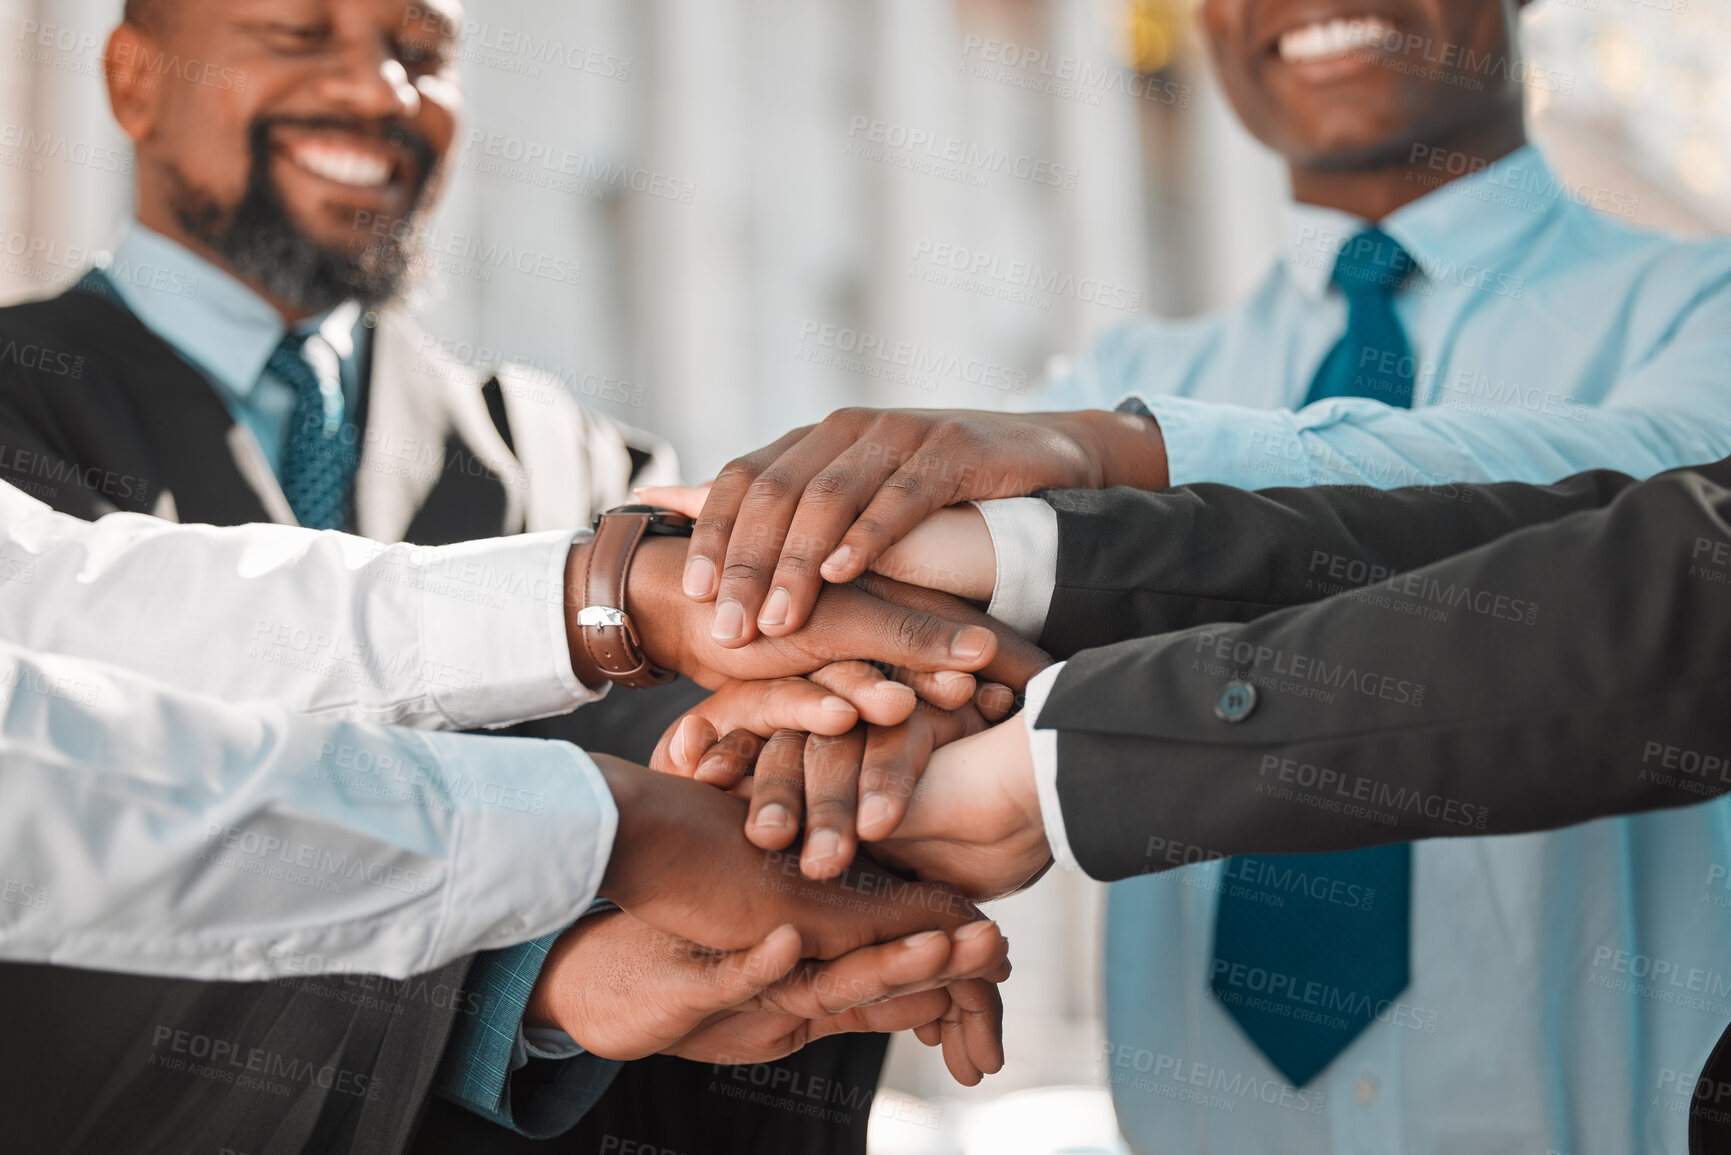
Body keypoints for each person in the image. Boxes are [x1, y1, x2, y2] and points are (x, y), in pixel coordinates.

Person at [645, 1, 1731, 1150]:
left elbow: (1655, 533)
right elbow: (954, 668)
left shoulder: (1701, 309)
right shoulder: (1128, 370)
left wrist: (1129, 464)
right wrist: (851, 706)